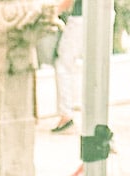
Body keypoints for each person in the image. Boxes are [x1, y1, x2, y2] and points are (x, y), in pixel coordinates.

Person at [52, 0, 83, 134]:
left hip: (81, 18)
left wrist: (52, 12)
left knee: (64, 64)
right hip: (105, 14)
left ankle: (66, 115)